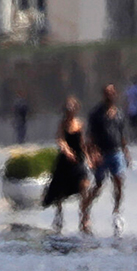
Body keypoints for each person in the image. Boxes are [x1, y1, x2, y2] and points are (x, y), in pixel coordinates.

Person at [80, 84, 132, 237]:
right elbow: (90, 137)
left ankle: (116, 211)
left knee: (119, 180)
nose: (110, 95)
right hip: (101, 153)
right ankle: (85, 212)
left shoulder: (119, 114)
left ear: (115, 94)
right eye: (107, 93)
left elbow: (122, 136)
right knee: (98, 185)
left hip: (116, 152)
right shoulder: (96, 114)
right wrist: (93, 154)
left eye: (112, 93)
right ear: (103, 95)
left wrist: (126, 153)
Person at [42, 96, 91, 234]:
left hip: (78, 160)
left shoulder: (80, 123)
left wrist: (89, 158)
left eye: (72, 107)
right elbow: (60, 140)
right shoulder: (62, 124)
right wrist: (67, 151)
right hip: (65, 161)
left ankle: (84, 216)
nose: (70, 110)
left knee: (84, 186)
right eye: (68, 108)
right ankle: (59, 213)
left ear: (76, 109)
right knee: (60, 191)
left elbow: (82, 142)